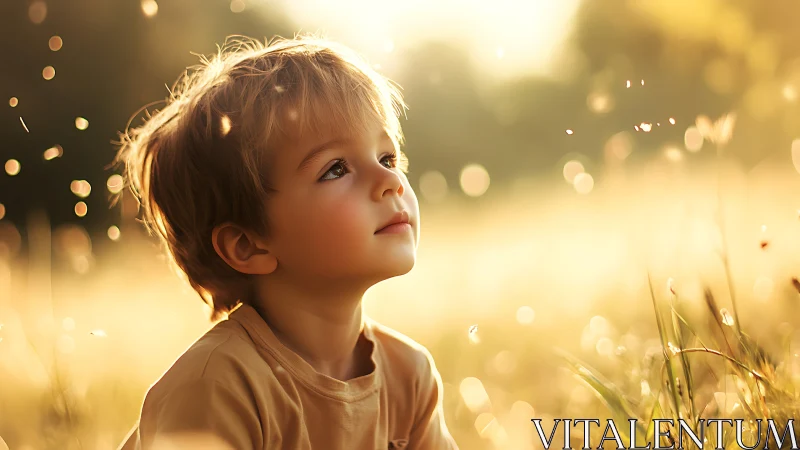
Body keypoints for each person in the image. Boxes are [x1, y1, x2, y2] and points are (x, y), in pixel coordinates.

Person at [113, 32, 459, 450]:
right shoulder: (215, 387)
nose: (390, 182)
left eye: (388, 158)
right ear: (248, 245)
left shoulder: (409, 375)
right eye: (336, 169)